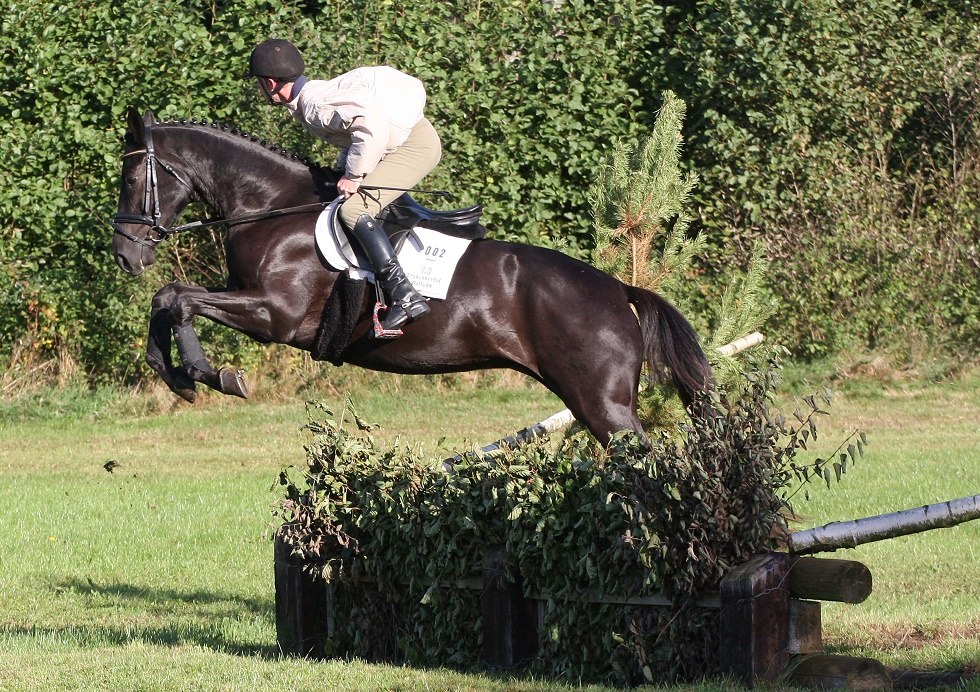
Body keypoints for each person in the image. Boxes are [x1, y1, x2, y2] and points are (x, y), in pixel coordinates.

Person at [247, 38, 441, 335]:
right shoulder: (314, 96)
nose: (261, 89)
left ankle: (404, 295)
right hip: (406, 139)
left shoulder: (314, 106)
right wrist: (344, 169)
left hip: (414, 146)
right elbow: (354, 134)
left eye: (260, 83)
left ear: (271, 83)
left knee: (353, 209)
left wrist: (353, 175)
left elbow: (370, 128)